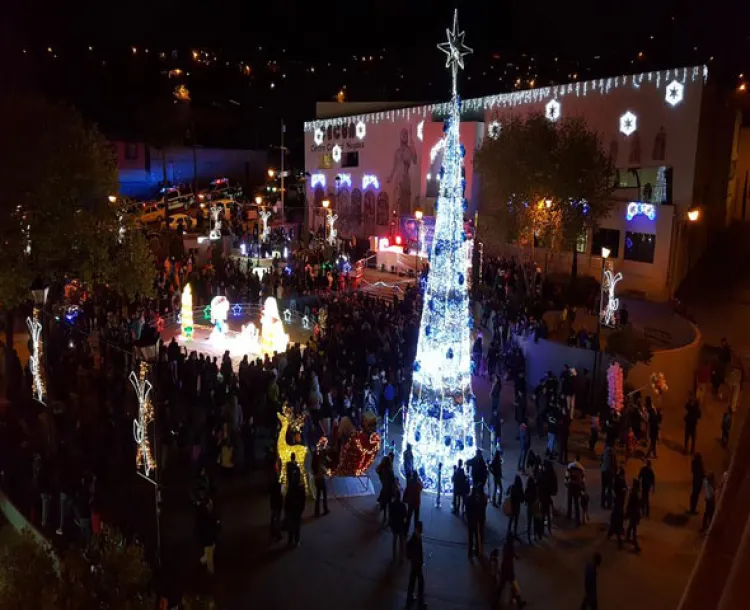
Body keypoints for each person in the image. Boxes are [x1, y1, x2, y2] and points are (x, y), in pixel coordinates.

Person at [495, 536, 526, 608]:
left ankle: (495, 602)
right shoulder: (511, 547)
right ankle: (519, 603)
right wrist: (518, 556)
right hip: (509, 570)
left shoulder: (505, 545)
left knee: (501, 586)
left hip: (504, 568)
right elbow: (514, 555)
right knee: (514, 587)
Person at [406, 521, 426, 609]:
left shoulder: (416, 536)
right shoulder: (416, 538)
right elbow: (416, 551)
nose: (422, 530)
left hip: (415, 564)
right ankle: (420, 602)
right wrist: (419, 561)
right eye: (421, 528)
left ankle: (410, 599)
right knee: (420, 582)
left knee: (412, 581)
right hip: (416, 564)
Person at [197, 499, 219, 575]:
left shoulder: (207, 514)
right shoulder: (208, 515)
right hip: (208, 537)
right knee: (209, 552)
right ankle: (209, 569)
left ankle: (206, 564)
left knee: (209, 552)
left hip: (208, 537)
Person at [565, 454, 585, 525]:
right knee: (576, 503)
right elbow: (583, 480)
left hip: (570, 485)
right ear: (579, 460)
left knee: (569, 500)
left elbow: (567, 475)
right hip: (577, 486)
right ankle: (577, 519)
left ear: (574, 459)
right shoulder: (582, 468)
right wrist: (583, 488)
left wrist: (566, 483)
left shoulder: (570, 465)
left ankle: (569, 515)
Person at [390, 490, 408, 561]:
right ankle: (401, 557)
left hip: (395, 525)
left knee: (394, 540)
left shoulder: (392, 505)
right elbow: (405, 515)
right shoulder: (402, 505)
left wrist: (391, 524)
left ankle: (394, 556)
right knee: (401, 541)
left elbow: (391, 516)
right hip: (401, 525)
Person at [625, 479, 642, 552]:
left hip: (633, 513)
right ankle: (636, 545)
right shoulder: (635, 493)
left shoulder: (633, 492)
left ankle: (627, 537)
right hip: (634, 513)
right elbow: (635, 504)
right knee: (634, 529)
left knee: (631, 526)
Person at [312, 445, 330, 517]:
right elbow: (324, 470)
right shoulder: (319, 461)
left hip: (316, 479)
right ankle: (325, 510)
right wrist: (328, 472)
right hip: (321, 479)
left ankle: (317, 512)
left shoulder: (314, 462)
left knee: (318, 496)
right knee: (324, 495)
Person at [505, 475, 525, 539]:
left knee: (510, 520)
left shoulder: (512, 487)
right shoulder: (520, 489)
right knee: (516, 521)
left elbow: (507, 493)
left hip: (511, 506)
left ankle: (508, 532)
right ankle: (515, 532)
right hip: (517, 507)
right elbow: (522, 500)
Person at [600, 444, 616, 510]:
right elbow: (614, 464)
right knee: (609, 489)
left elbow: (601, 461)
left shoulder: (604, 453)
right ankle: (609, 504)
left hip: (603, 471)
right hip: (609, 472)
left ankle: (602, 504)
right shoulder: (613, 454)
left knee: (603, 488)